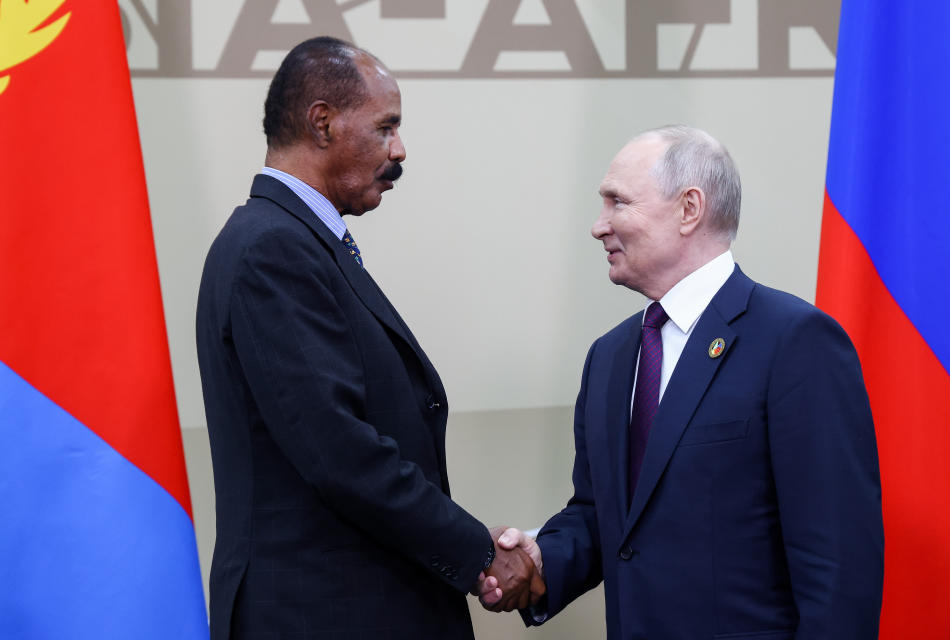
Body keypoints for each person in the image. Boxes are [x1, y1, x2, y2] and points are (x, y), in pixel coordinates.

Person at [196, 36, 542, 640]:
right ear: (323, 123)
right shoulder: (272, 249)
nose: (400, 149)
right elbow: (340, 452)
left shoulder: (297, 241)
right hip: (323, 614)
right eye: (386, 127)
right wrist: (478, 551)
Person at [482, 126, 884, 639]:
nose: (598, 226)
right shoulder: (609, 357)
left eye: (617, 203)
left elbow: (838, 560)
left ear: (689, 209)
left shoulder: (794, 341)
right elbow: (604, 516)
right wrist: (538, 563)